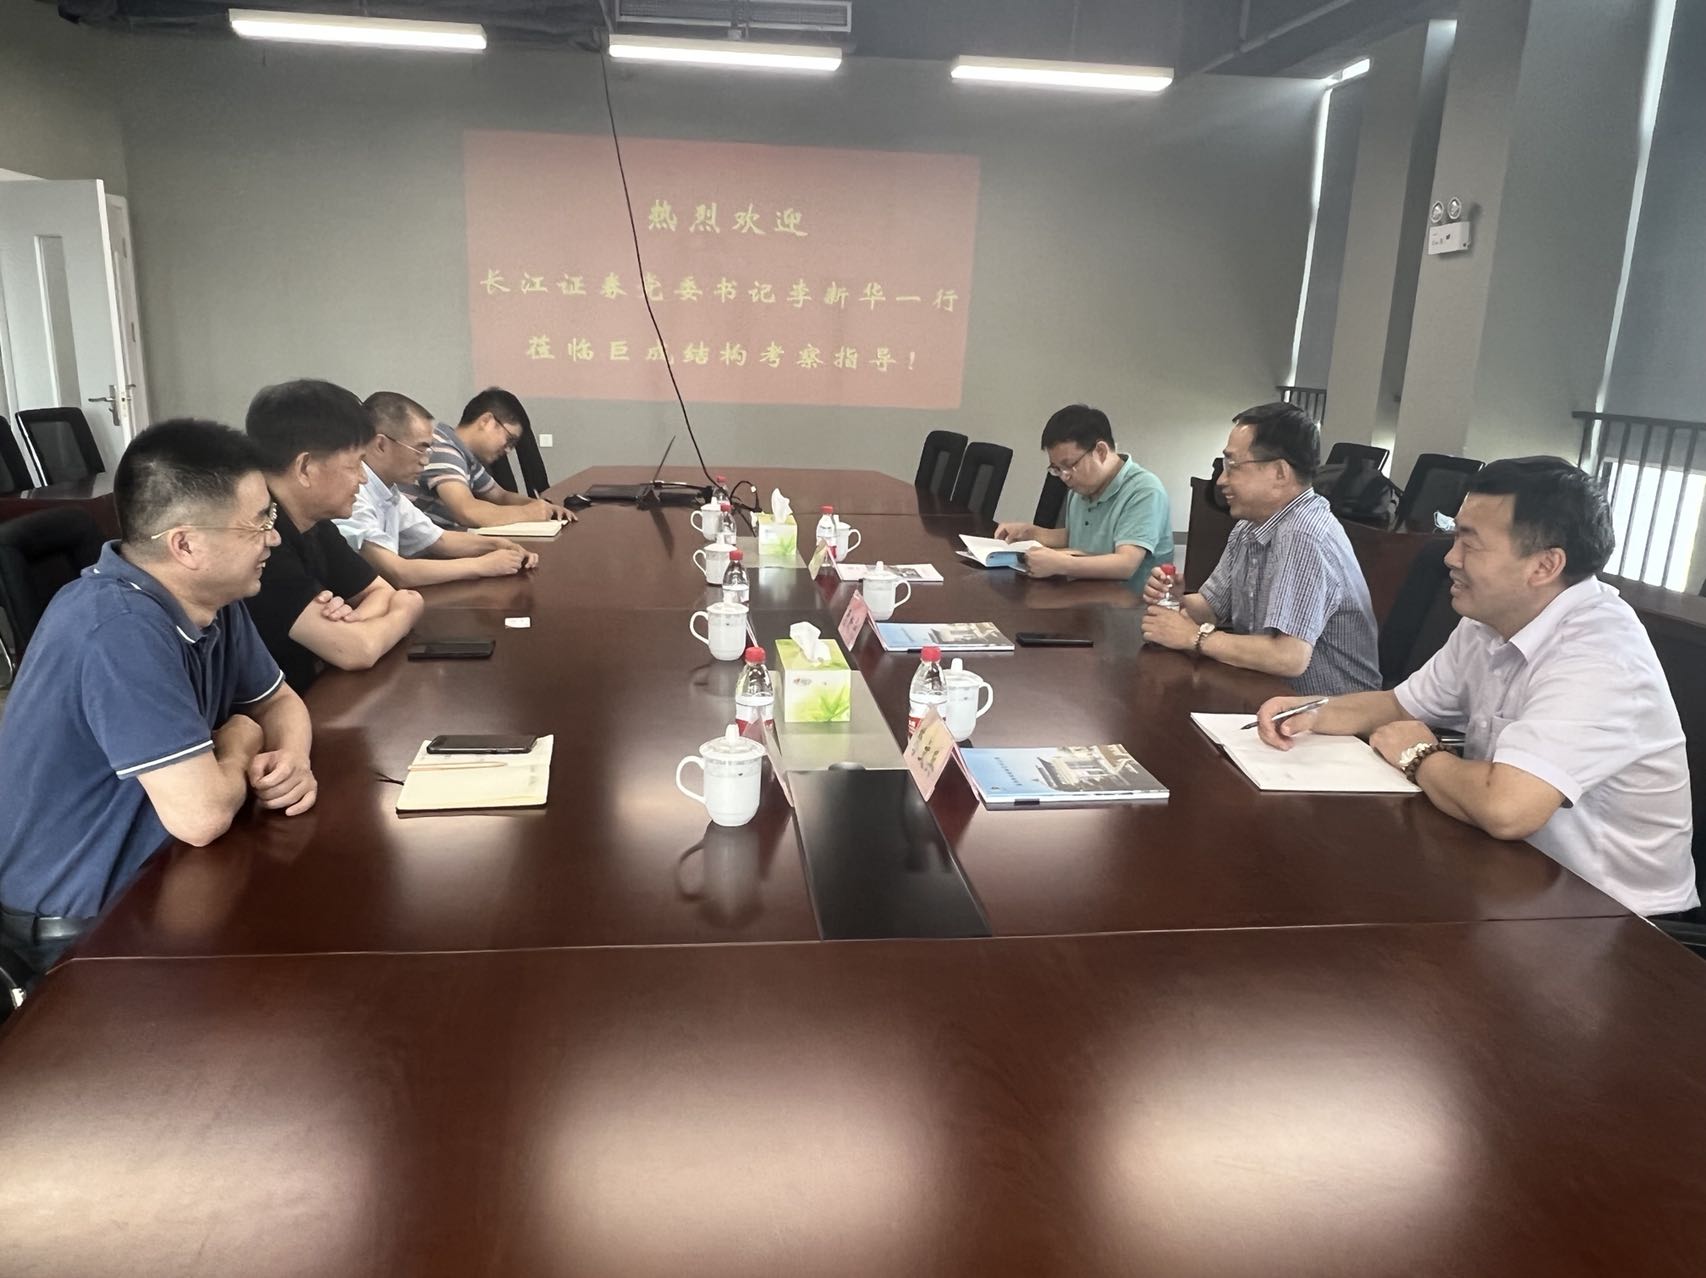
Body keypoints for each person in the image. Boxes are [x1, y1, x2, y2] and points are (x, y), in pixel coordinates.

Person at [1254, 456, 1695, 917]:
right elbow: (1401, 707)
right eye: (1455, 535)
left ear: (1544, 565)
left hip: (1621, 920)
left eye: (1470, 542)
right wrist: (1313, 711)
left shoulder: (1600, 656)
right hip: (1515, 878)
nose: (1450, 557)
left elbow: (1507, 809)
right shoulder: (1490, 620)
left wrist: (1419, 755)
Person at [0, 419, 315, 977]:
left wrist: (292, 760)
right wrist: (241, 741)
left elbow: (279, 703)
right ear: (185, 544)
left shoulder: (213, 599)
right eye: (259, 522)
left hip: (162, 876)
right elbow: (201, 815)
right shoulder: (117, 627)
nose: (274, 537)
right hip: (80, 926)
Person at [1140, 401, 1381, 695]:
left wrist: (1195, 638)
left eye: (1233, 466)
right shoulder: (1249, 527)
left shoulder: (1305, 534)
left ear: (1279, 472)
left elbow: (1288, 657)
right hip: (1265, 692)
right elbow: (1211, 608)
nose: (1221, 480)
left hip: (1327, 709)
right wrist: (1175, 602)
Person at [245, 379, 425, 691]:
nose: (363, 478)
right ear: (305, 468)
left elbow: (379, 592)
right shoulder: (262, 541)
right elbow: (357, 651)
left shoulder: (315, 522)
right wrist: (407, 608)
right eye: (355, 464)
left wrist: (351, 626)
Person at [336, 391, 540, 587]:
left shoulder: (390, 491)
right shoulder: (352, 494)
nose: (426, 461)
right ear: (381, 445)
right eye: (420, 449)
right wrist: (483, 565)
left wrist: (496, 545)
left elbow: (439, 539)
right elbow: (398, 573)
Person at [992, 404, 1174, 590]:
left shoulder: (1144, 491)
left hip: (1128, 603)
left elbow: (1125, 564)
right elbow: (1079, 536)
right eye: (1057, 468)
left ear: (1101, 451)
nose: (1064, 476)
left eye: (1069, 465)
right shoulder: (1083, 487)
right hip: (1083, 595)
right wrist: (1029, 532)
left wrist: (1061, 564)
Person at [408, 387, 576, 529]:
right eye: (509, 439)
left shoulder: (466, 456)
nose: (508, 449)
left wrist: (541, 506)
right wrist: (527, 513)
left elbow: (500, 496)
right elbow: (467, 511)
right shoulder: (442, 448)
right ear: (486, 421)